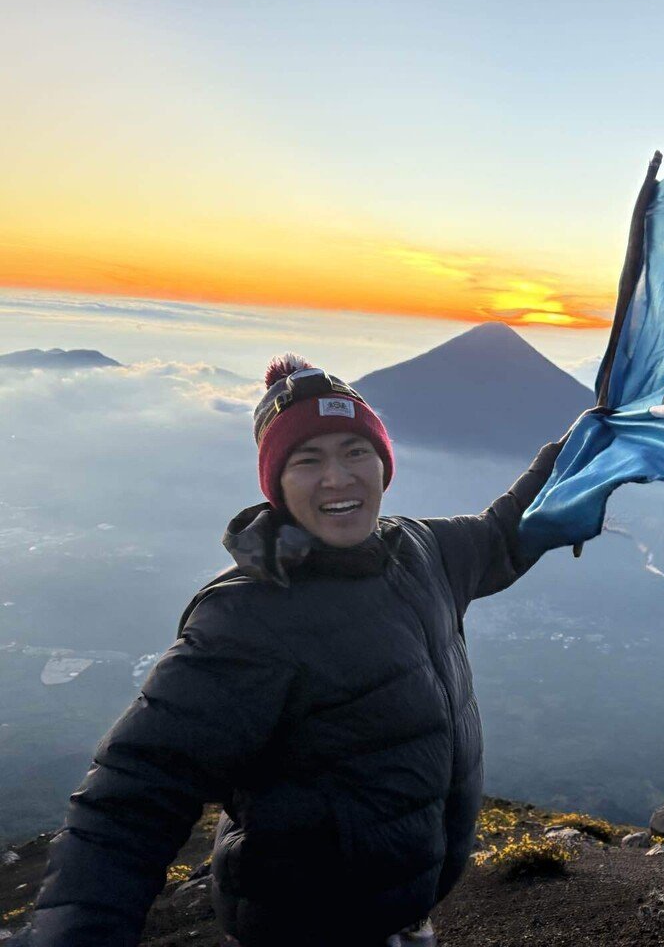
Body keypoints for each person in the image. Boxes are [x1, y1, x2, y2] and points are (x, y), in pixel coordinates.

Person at [29, 354, 579, 947]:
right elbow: (134, 792)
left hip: (406, 911)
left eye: (356, 451)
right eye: (307, 460)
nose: (337, 478)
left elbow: (500, 536)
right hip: (307, 926)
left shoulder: (421, 551)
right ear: (277, 485)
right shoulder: (247, 619)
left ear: (383, 464)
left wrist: (578, 455)